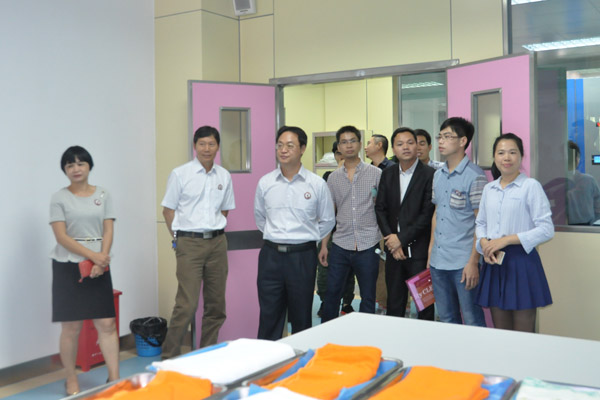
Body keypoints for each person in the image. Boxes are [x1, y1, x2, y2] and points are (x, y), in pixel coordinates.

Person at [50, 146, 119, 395]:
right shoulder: (59, 198)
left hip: (99, 266)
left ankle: (114, 379)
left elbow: (108, 229)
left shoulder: (103, 194)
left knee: (107, 324)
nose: (76, 169)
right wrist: (94, 257)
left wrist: (101, 260)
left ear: (89, 166)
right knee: (71, 328)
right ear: (65, 170)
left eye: (80, 163)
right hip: (68, 266)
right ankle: (71, 379)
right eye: (70, 165)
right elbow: (61, 237)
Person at [161, 126, 235, 358]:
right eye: (202, 144)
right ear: (195, 146)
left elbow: (225, 210)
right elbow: (168, 210)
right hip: (189, 244)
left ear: (218, 147)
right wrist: (178, 240)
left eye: (211, 144)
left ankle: (206, 355)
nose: (206, 148)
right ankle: (169, 357)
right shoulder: (180, 174)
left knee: (216, 306)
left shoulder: (224, 176)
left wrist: (214, 230)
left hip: (217, 243)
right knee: (187, 305)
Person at [254, 126, 335, 340]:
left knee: (301, 316)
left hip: (302, 257)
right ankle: (267, 359)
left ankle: (301, 357)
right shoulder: (265, 183)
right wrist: (278, 235)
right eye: (280, 145)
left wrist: (306, 237)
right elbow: (260, 218)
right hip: (270, 256)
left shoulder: (316, 184)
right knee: (269, 316)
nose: (283, 150)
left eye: (290, 145)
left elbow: (328, 220)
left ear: (302, 148)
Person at [476, 133, 554, 332]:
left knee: (523, 332)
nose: (506, 158)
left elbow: (546, 229)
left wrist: (507, 240)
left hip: (522, 262)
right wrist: (484, 243)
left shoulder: (531, 186)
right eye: (501, 153)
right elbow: (481, 223)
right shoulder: (489, 189)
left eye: (512, 152)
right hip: (494, 261)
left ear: (521, 156)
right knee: (501, 332)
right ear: (494, 157)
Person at [428, 117, 487, 326]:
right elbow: (437, 214)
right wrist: (430, 252)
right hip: (438, 261)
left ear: (463, 141)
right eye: (440, 136)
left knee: (471, 319)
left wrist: (473, 262)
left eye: (447, 136)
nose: (441, 141)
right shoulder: (438, 175)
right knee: (446, 318)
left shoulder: (475, 176)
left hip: (463, 262)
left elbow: (481, 223)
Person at [320, 125, 382, 322]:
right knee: (332, 294)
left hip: (368, 244)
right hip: (341, 244)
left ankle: (365, 335)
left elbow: (383, 209)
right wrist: (324, 244)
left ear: (360, 144)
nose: (349, 145)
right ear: (339, 146)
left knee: (368, 296)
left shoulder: (376, 173)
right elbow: (329, 214)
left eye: (353, 141)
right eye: (344, 142)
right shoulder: (333, 178)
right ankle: (326, 334)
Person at [375, 127, 435, 320]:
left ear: (417, 146)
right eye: (400, 144)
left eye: (410, 142)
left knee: (425, 306)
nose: (406, 147)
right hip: (394, 253)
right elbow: (380, 209)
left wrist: (401, 239)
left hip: (419, 252)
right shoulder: (388, 174)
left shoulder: (430, 174)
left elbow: (427, 214)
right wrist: (392, 241)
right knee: (395, 304)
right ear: (393, 149)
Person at [317, 141, 356, 317]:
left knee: (348, 271)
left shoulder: (359, 175)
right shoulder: (328, 176)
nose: (341, 157)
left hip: (349, 231)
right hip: (330, 232)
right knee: (325, 269)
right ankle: (325, 301)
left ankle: (347, 302)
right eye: (338, 154)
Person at [566, 140, 600, 225]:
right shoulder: (589, 180)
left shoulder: (554, 184)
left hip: (561, 228)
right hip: (586, 228)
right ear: (577, 160)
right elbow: (598, 208)